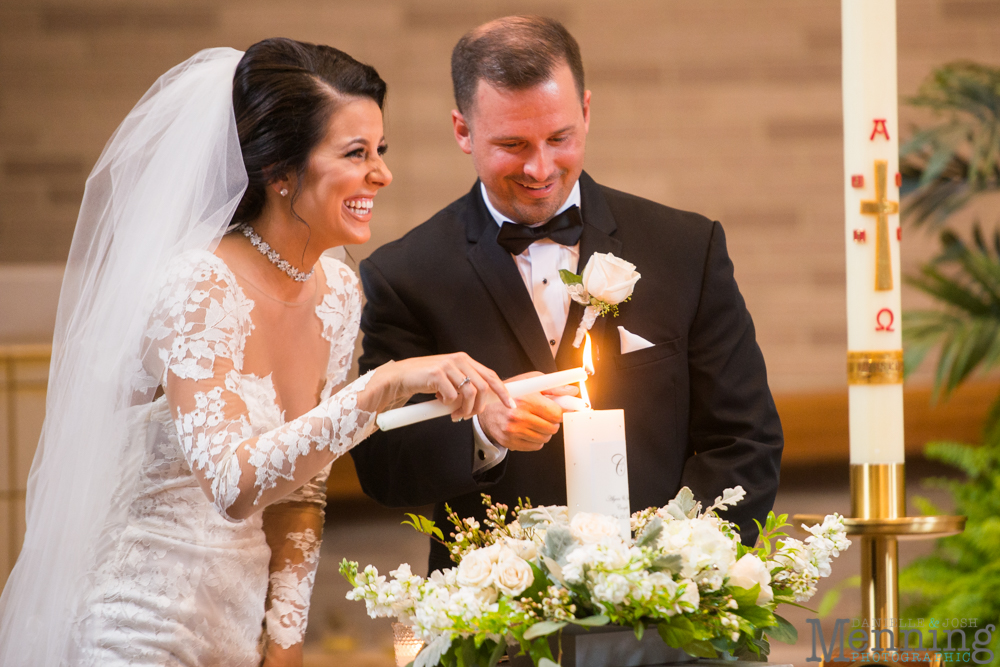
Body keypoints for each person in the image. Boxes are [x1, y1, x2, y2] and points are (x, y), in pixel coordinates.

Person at [0, 38, 511, 667]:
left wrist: (285, 645)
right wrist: (381, 387)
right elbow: (233, 485)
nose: (381, 174)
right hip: (136, 625)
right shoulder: (196, 285)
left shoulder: (339, 291)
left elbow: (301, 492)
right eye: (355, 154)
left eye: (380, 151)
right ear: (280, 172)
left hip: (239, 634)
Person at [351, 16, 784, 574]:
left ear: (585, 111)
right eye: (512, 144)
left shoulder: (685, 247)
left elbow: (745, 439)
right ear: (462, 131)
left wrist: (669, 574)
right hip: (492, 618)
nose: (540, 167)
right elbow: (383, 466)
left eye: (559, 138)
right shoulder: (406, 274)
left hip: (667, 619)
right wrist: (484, 432)